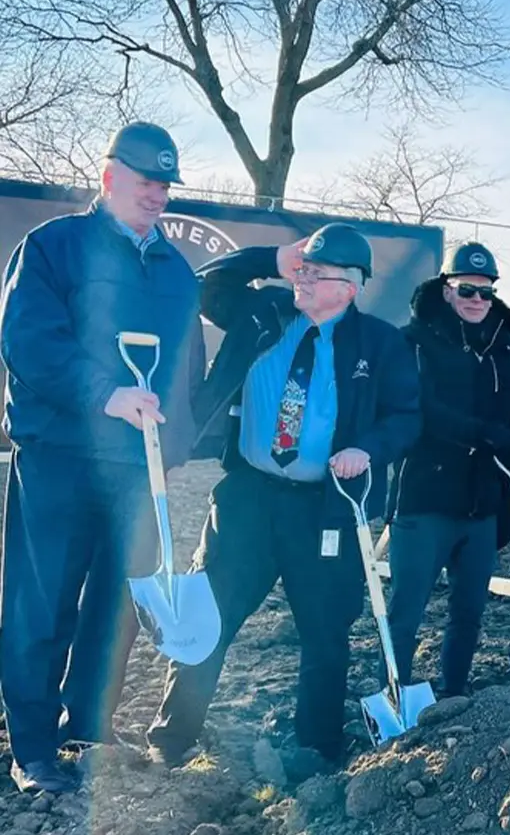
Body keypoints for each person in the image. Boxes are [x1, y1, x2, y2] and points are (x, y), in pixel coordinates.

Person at [144, 222, 421, 768]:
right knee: (210, 614)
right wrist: (273, 256)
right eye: (303, 269)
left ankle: (317, 748)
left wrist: (367, 449)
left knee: (325, 630)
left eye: (318, 274)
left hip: (324, 508)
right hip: (246, 498)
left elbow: (406, 416)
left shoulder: (381, 344)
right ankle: (172, 738)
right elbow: (207, 286)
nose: (305, 279)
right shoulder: (264, 313)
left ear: (352, 285)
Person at [0, 122, 204, 793]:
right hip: (60, 454)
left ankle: (87, 729)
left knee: (114, 606)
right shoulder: (53, 248)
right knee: (43, 602)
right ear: (110, 175)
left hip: (134, 470)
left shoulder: (174, 270)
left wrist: (172, 448)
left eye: (166, 185)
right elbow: (29, 341)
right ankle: (31, 747)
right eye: (147, 181)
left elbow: (184, 367)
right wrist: (106, 394)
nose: (158, 195)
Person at [384, 241, 510, 698]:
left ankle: (454, 692)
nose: (477, 301)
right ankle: (394, 692)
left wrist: (506, 481)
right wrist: (485, 434)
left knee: (469, 610)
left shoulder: (505, 350)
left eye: (486, 292)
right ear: (447, 289)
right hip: (426, 497)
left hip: (481, 503)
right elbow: (421, 411)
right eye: (467, 289)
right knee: (407, 609)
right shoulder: (415, 341)